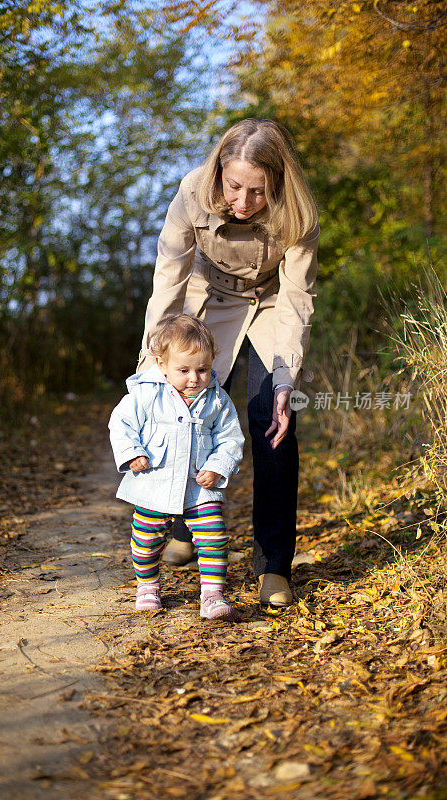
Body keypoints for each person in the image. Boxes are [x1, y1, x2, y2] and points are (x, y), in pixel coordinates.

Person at [136, 118, 320, 607]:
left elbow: (299, 298)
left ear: (277, 185)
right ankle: (184, 527)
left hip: (271, 307)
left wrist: (286, 380)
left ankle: (274, 566)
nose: (241, 202)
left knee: (274, 420)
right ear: (218, 170)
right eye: (233, 185)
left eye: (257, 191)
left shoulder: (299, 216)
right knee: (187, 413)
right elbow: (168, 277)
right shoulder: (192, 194)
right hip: (206, 302)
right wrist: (150, 360)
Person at [109, 314, 244, 619]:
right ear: (162, 365)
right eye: (183, 370)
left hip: (198, 488)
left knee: (213, 537)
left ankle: (212, 595)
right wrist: (132, 453)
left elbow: (230, 437)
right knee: (146, 540)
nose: (194, 378)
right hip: (154, 483)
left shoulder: (217, 401)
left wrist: (218, 466)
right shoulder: (146, 394)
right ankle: (147, 586)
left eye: (203, 369)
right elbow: (121, 424)